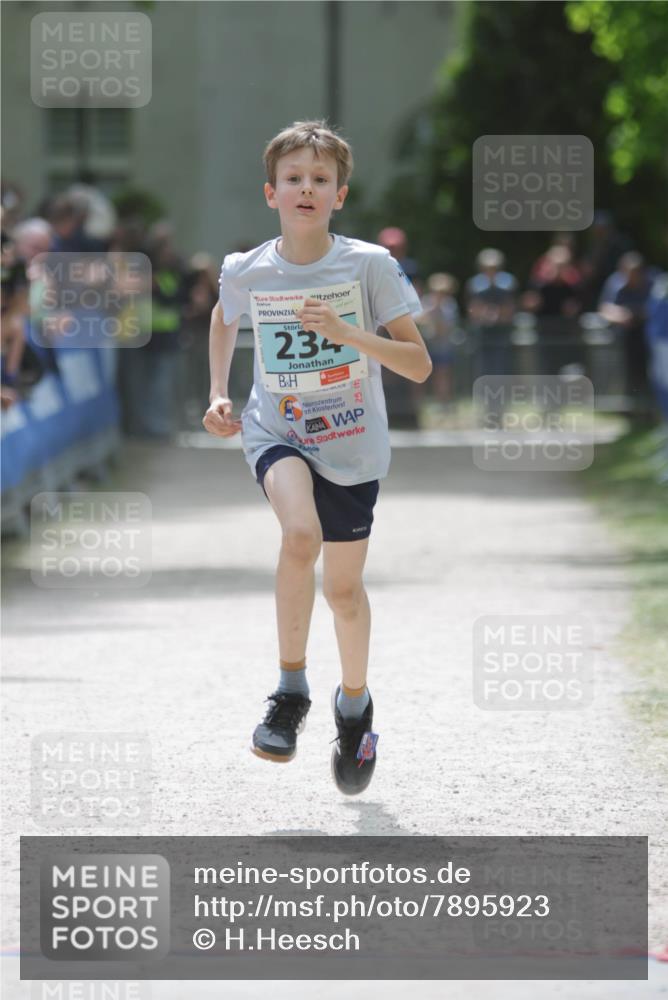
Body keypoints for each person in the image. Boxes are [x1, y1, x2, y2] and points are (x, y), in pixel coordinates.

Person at [202, 120, 431, 795]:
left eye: (321, 179)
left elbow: (418, 364)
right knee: (299, 535)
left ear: (340, 195)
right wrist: (218, 392)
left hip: (353, 446)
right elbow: (224, 315)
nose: (307, 189)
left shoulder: (368, 265)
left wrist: (347, 333)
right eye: (294, 178)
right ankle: (290, 691)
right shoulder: (248, 268)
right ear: (271, 192)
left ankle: (354, 707)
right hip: (278, 429)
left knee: (343, 593)